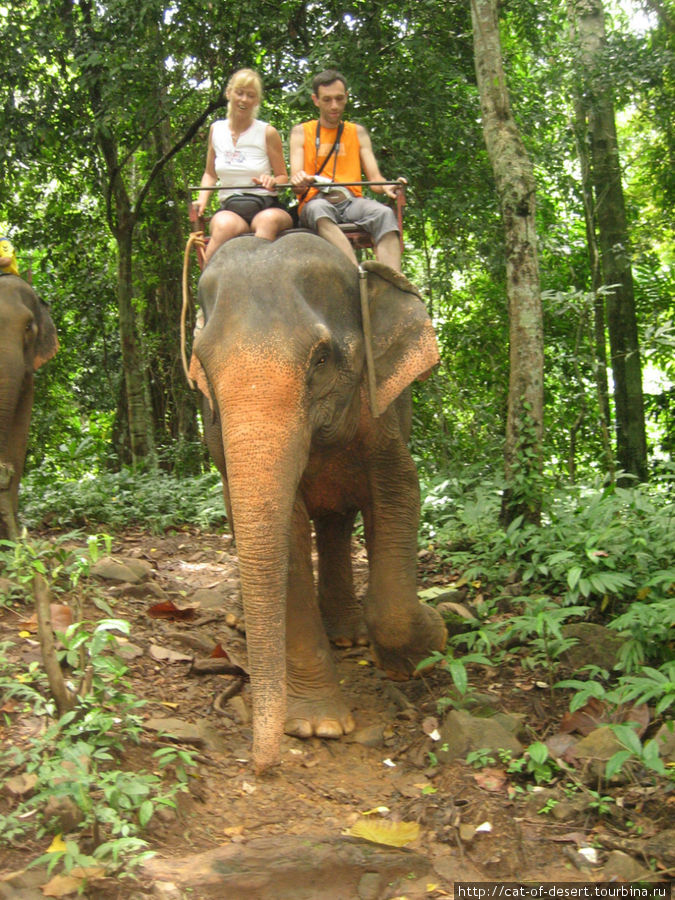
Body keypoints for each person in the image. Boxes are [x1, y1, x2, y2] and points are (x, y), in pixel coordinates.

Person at [290, 69, 406, 271]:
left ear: (346, 98)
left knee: (384, 213)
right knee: (319, 209)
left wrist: (389, 186)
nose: (334, 106)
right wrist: (300, 181)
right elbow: (297, 185)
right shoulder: (302, 132)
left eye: (339, 99)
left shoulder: (356, 132)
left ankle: (393, 283)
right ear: (315, 100)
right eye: (327, 100)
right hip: (316, 201)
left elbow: (375, 179)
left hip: (351, 201)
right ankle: (355, 273)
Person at [194, 69, 293, 265]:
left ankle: (256, 278)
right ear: (229, 93)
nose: (244, 99)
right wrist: (202, 200)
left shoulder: (267, 132)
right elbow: (210, 173)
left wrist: (272, 182)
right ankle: (205, 285)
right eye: (240, 92)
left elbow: (283, 176)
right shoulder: (217, 129)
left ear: (257, 101)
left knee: (267, 222)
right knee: (223, 227)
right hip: (231, 207)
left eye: (251, 95)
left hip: (265, 205)